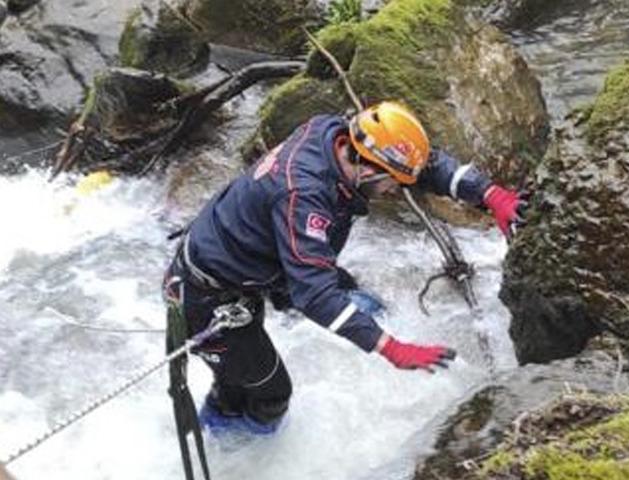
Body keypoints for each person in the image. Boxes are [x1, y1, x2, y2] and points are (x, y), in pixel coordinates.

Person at [162, 101, 526, 436]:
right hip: (207, 293)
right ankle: (228, 446)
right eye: (390, 184)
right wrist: (390, 347)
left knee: (345, 295)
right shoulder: (303, 196)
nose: (393, 191)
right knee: (269, 393)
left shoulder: (335, 133)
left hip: (258, 259)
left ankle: (240, 384)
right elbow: (314, 295)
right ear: (366, 169)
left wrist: (489, 194)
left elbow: (423, 166)